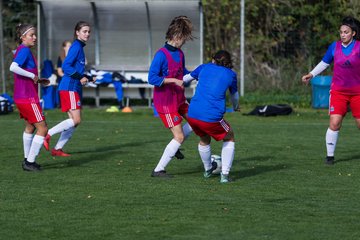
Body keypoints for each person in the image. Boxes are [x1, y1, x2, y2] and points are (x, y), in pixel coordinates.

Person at [302, 16, 360, 165]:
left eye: (346, 32)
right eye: (341, 32)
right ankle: (330, 157)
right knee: (334, 123)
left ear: (353, 33)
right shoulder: (334, 46)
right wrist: (311, 74)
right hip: (338, 92)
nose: (342, 35)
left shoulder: (359, 47)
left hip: (357, 93)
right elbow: (324, 63)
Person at [148, 16, 194, 178]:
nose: (184, 42)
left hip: (179, 99)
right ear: (176, 36)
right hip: (166, 103)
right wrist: (174, 80)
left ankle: (174, 147)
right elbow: (152, 78)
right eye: (183, 38)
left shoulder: (180, 54)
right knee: (179, 136)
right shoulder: (161, 55)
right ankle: (158, 170)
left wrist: (197, 74)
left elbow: (184, 72)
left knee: (197, 120)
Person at [184, 50, 239, 183]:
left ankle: (208, 170)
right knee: (229, 136)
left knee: (204, 139)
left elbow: (185, 79)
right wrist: (236, 106)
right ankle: (225, 175)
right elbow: (234, 95)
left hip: (192, 114)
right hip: (211, 116)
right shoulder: (231, 74)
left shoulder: (204, 67)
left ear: (213, 59)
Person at [43, 21, 94, 156]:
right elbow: (66, 66)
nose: (87, 34)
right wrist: (79, 77)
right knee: (76, 120)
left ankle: (57, 149)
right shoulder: (76, 46)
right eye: (84, 31)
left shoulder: (79, 47)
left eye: (89, 31)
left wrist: (87, 78)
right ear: (77, 32)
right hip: (69, 88)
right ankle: (47, 134)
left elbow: (76, 69)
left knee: (74, 123)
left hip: (71, 88)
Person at [9, 23, 48, 171]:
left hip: (21, 96)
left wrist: (37, 79)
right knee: (43, 128)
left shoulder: (22, 50)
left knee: (30, 126)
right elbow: (13, 67)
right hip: (28, 98)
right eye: (32, 35)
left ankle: (27, 159)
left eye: (35, 35)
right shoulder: (24, 50)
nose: (35, 37)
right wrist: (32, 75)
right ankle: (30, 162)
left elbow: (20, 71)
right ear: (22, 37)